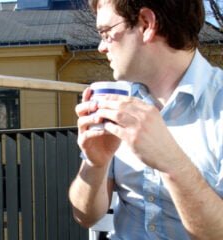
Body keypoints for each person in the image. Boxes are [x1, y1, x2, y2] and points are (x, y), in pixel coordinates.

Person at [68, 0, 223, 239]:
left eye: (107, 32)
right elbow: (86, 217)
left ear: (146, 24)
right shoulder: (118, 101)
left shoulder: (218, 106)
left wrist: (173, 164)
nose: (101, 46)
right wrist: (94, 164)